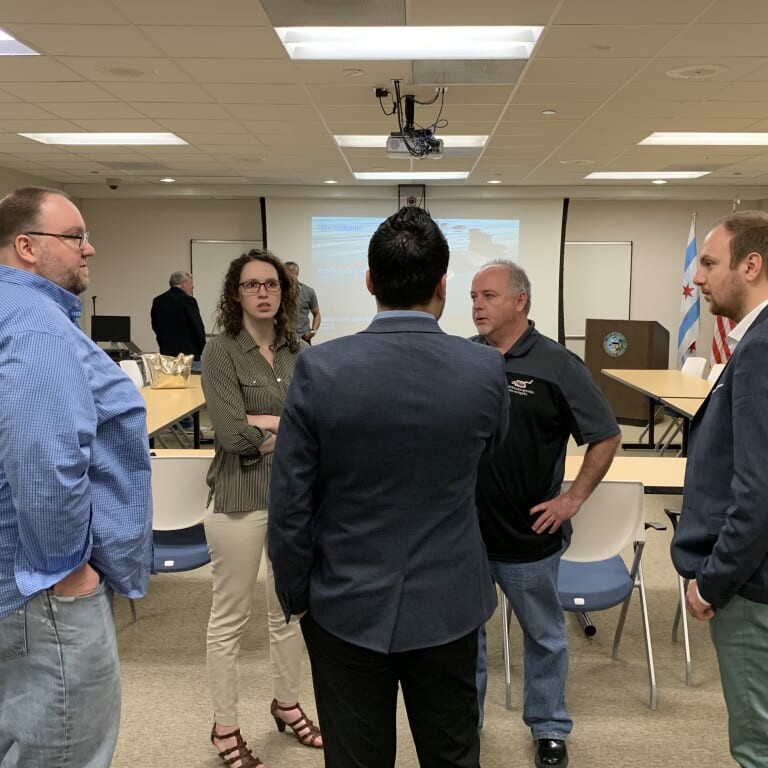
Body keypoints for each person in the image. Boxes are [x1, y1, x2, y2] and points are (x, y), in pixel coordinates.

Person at [268, 206, 510, 768]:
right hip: (449, 601)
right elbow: (489, 453)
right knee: (452, 754)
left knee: (355, 758)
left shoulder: (320, 368)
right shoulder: (484, 370)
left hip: (343, 602)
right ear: (444, 285)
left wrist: (297, 594)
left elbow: (289, 504)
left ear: (370, 280)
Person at [0, 186, 153, 767]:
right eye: (75, 237)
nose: (89, 249)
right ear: (27, 247)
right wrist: (70, 572)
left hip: (16, 581)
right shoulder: (37, 326)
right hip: (44, 590)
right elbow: (46, 461)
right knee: (62, 750)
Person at [470, 260, 621, 768]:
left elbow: (605, 435)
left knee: (545, 636)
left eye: (488, 296)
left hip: (528, 535)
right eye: (473, 296)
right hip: (465, 534)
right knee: (463, 636)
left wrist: (572, 499)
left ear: (520, 301)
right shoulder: (465, 359)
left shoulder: (558, 364)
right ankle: (465, 723)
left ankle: (549, 727)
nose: (476, 305)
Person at [201, 249, 322, 768]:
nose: (263, 292)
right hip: (238, 499)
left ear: (284, 290)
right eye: (251, 285)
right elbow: (230, 436)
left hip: (294, 499)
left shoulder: (301, 352)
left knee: (289, 611)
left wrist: (263, 423)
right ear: (236, 294)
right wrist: (281, 427)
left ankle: (287, 703)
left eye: (270, 283)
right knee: (229, 617)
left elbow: (317, 425)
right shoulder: (220, 351)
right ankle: (225, 727)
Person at [671, 211, 768, 768]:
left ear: (750, 265)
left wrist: (712, 583)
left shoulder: (758, 351)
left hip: (753, 589)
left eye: (709, 263)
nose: (699, 278)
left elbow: (757, 493)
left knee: (756, 747)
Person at [151, 269, 207, 359]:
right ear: (183, 284)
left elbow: (156, 326)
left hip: (167, 354)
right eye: (191, 283)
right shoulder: (188, 300)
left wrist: (163, 344)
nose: (193, 287)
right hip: (188, 355)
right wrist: (203, 349)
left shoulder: (158, 301)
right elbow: (197, 327)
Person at [284, 261, 321, 343]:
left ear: (296, 275)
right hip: (283, 340)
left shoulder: (309, 291)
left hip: (303, 339)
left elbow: (317, 314)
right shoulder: (278, 292)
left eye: (289, 276)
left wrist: (313, 332)